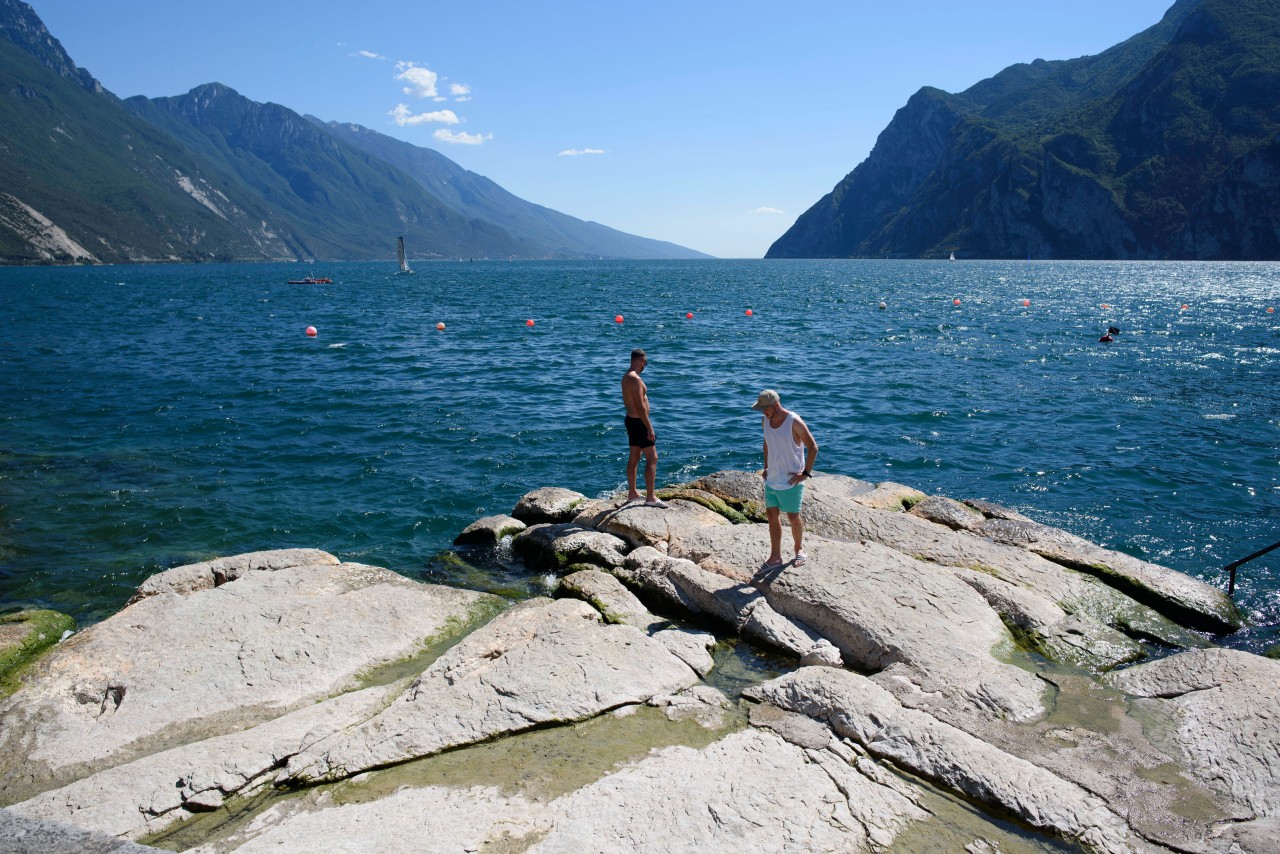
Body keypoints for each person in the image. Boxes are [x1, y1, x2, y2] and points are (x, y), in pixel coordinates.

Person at [753, 389, 818, 570]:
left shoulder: (793, 421)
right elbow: (766, 443)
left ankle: (799, 550)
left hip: (790, 481)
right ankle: (775, 557)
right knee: (772, 515)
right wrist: (766, 467)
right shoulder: (765, 420)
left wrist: (804, 474)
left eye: (765, 408)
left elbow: (813, 447)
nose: (763, 411)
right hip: (772, 478)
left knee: (793, 516)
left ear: (775, 405)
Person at [622, 349, 668, 507]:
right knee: (652, 458)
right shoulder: (635, 380)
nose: (645, 366)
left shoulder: (626, 377)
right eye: (645, 363)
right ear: (641, 360)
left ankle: (632, 493)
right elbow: (640, 407)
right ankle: (650, 497)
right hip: (639, 422)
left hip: (630, 420)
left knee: (634, 456)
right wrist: (649, 428)